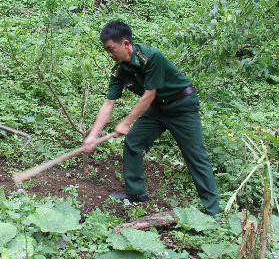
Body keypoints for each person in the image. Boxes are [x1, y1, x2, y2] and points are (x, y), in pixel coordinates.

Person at [82, 21, 219, 216]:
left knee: (195, 156)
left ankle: (212, 211)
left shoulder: (153, 58)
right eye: (107, 51)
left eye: (111, 49)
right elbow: (108, 104)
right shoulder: (120, 70)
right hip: (158, 109)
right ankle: (136, 193)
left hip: (182, 106)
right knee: (133, 142)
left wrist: (126, 122)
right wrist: (93, 136)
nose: (110, 55)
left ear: (126, 44)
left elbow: (149, 94)